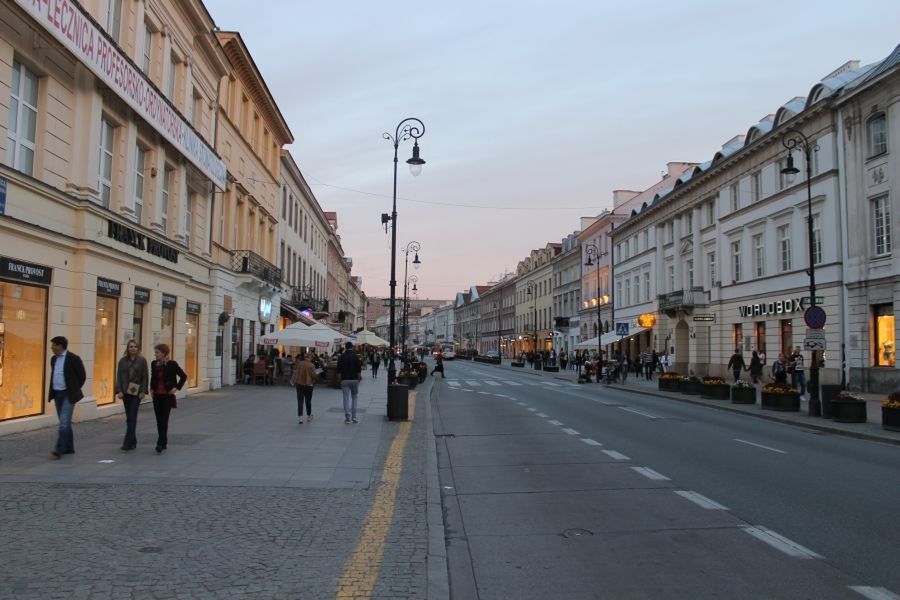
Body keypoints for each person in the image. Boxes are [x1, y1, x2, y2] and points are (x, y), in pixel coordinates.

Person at [47, 336, 86, 459]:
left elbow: (82, 376)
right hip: (57, 393)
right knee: (65, 422)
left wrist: (74, 388)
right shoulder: (53, 359)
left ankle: (59, 448)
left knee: (64, 422)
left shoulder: (73, 358)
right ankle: (69, 447)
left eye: (53, 345)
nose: (51, 347)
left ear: (60, 346)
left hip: (68, 394)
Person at [149, 344, 187, 454]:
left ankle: (160, 443)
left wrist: (176, 388)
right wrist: (151, 388)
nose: (155, 354)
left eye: (157, 352)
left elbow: (183, 376)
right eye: (155, 352)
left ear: (164, 353)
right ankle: (163, 441)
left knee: (164, 419)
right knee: (158, 420)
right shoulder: (154, 364)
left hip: (167, 396)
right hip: (157, 395)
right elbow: (153, 377)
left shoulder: (172, 364)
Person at [114, 339, 149, 451]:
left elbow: (145, 376)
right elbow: (119, 376)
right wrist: (118, 390)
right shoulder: (122, 361)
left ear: (138, 348)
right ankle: (133, 440)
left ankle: (127, 442)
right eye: (131, 347)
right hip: (125, 391)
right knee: (129, 417)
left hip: (136, 391)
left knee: (132, 416)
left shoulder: (142, 361)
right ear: (127, 348)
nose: (133, 348)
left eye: (135, 347)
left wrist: (143, 391)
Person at [336, 342, 362, 423]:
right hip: (354, 379)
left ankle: (347, 417)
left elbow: (338, 369)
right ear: (352, 347)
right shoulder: (356, 356)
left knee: (346, 399)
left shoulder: (341, 357)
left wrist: (339, 379)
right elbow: (359, 368)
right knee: (354, 397)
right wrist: (359, 377)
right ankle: (354, 417)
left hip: (345, 380)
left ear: (345, 347)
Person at [291, 353, 318, 424]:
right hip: (308, 385)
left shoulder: (299, 364)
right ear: (310, 357)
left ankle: (300, 418)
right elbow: (314, 376)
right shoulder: (311, 365)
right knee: (308, 401)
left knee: (300, 401)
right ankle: (309, 416)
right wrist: (316, 374)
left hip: (299, 384)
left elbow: (295, 371)